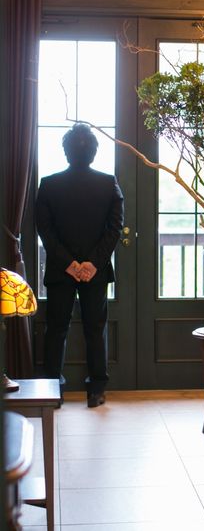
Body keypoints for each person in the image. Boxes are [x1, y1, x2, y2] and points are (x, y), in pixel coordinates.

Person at [36, 123, 124, 408]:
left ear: (66, 151)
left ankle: (52, 391)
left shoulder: (49, 185)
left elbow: (45, 231)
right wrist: (92, 263)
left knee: (56, 330)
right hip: (95, 272)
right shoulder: (108, 183)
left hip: (60, 271)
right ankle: (96, 391)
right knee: (95, 330)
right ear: (94, 152)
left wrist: (69, 264)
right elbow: (115, 229)